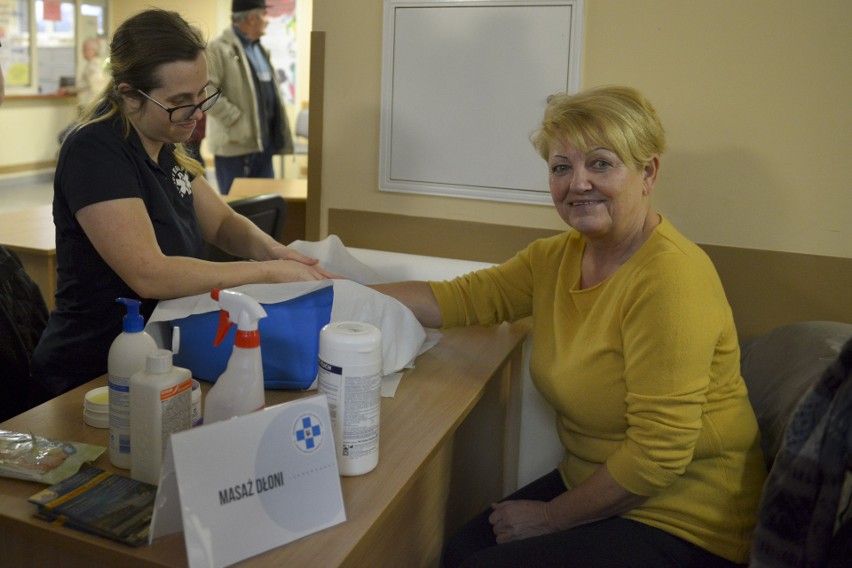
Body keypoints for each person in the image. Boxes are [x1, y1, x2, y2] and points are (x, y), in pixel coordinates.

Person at [373, 85, 768, 567]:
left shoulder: (672, 279)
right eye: (562, 167)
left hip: (685, 519)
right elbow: (462, 298)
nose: (577, 183)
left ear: (648, 173)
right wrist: (337, 292)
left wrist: (552, 518)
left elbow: (657, 455)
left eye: (600, 164)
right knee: (458, 551)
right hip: (599, 481)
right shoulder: (556, 257)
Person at [30, 9, 336, 400]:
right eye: (179, 101)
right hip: (92, 373)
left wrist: (277, 252)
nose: (196, 113)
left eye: (202, 93)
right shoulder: (95, 150)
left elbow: (223, 224)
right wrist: (267, 273)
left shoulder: (169, 138)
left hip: (161, 359)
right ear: (129, 95)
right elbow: (150, 274)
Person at [205, 0, 292, 194]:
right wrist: (235, 118)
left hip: (263, 146)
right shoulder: (218, 49)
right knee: (238, 208)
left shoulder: (260, 51)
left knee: (266, 205)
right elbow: (204, 90)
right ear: (251, 18)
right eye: (264, 15)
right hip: (235, 146)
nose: (268, 20)